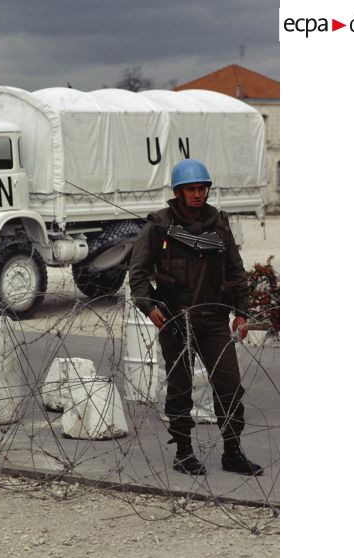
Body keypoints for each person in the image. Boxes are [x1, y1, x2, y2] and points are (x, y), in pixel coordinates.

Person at [128, 159, 263, 476]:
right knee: (180, 388)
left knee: (229, 386)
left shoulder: (219, 224)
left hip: (214, 319)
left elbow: (236, 271)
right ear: (178, 192)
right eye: (191, 189)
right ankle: (184, 452)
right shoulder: (158, 227)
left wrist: (241, 314)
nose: (198, 194)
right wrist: (149, 306)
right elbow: (138, 274)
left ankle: (232, 451)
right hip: (175, 320)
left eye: (202, 188)